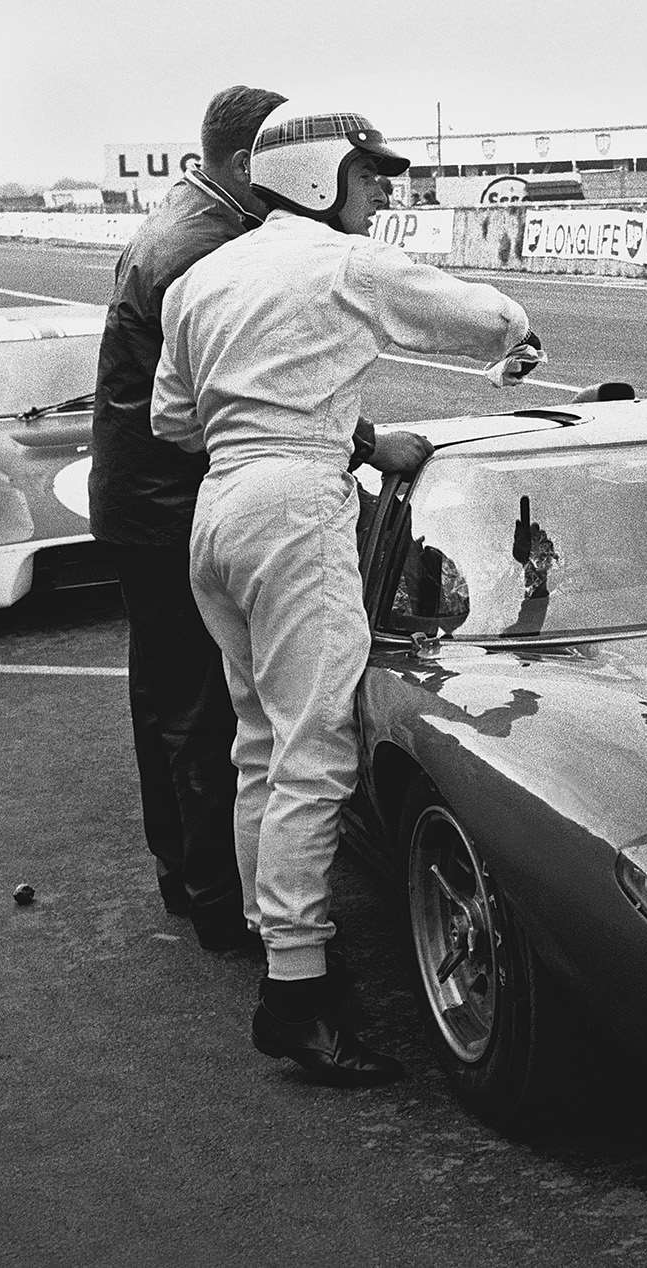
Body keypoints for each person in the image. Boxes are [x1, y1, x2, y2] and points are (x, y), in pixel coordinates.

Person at [154, 102, 539, 1086]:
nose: (381, 198)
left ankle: (268, 930)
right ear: (322, 176)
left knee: (256, 740)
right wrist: (518, 331)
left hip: (218, 510)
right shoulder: (342, 264)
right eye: (370, 180)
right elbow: (480, 316)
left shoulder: (200, 279)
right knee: (315, 746)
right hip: (292, 510)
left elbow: (171, 420)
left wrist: (321, 424)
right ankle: (297, 993)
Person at [91, 84, 286, 959]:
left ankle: (183, 871)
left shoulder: (188, 218)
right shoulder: (201, 249)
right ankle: (216, 895)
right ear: (247, 164)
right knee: (203, 707)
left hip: (142, 499)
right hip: (170, 502)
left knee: (164, 695)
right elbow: (248, 395)